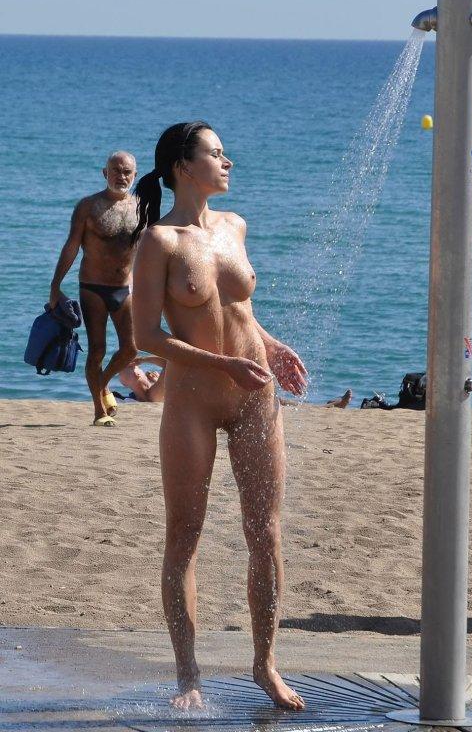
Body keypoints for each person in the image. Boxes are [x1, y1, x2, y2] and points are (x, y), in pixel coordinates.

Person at [132, 122, 308, 711]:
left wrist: (271, 346)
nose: (227, 161)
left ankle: (265, 663)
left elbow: (240, 310)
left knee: (266, 530)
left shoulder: (235, 226)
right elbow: (146, 335)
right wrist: (222, 363)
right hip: (194, 400)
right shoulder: (159, 242)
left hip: (255, 392)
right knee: (185, 533)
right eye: (215, 153)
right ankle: (188, 675)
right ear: (183, 166)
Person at [49, 152, 138, 426]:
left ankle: (103, 383)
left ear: (134, 175)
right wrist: (55, 286)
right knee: (97, 349)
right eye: (116, 170)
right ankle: (100, 412)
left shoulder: (141, 206)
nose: (121, 176)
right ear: (105, 173)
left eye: (127, 172)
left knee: (131, 349)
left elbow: (152, 248)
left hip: (125, 288)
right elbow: (71, 246)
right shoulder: (88, 206)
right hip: (93, 288)